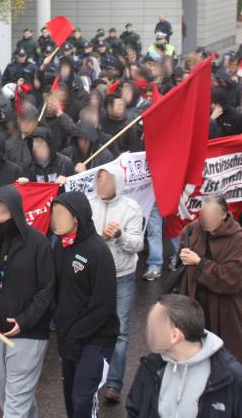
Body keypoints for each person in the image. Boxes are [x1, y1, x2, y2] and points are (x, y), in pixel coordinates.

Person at [0, 185, 55, 418]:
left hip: (28, 333)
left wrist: (25, 320)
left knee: (15, 404)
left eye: (3, 212)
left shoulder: (37, 243)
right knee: (5, 396)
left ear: (16, 211)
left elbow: (48, 288)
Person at [126, 295, 242, 417]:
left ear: (175, 336)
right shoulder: (150, 366)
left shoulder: (233, 378)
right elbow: (134, 410)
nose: (148, 331)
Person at [51, 191, 119, 418]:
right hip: (69, 337)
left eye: (60, 214)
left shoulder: (98, 251)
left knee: (82, 399)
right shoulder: (60, 247)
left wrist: (77, 333)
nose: (54, 220)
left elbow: (104, 304)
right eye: (53, 214)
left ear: (76, 217)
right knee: (71, 400)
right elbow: (54, 290)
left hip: (96, 339)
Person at [88, 166, 144, 405]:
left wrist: (120, 235)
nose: (101, 185)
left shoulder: (131, 208)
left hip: (123, 276)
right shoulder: (87, 205)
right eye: (98, 180)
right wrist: (100, 239)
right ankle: (91, 378)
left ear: (117, 182)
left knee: (119, 331)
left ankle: (114, 384)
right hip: (94, 277)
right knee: (92, 327)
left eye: (106, 180)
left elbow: (138, 244)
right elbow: (79, 237)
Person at [178, 195, 242, 370]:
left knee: (227, 359)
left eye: (212, 216)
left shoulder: (235, 236)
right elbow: (181, 253)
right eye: (204, 215)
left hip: (223, 307)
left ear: (224, 215)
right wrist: (182, 256)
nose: (207, 220)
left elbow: (231, 277)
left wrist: (199, 262)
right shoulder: (192, 230)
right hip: (196, 301)